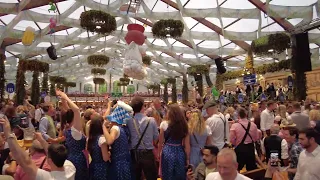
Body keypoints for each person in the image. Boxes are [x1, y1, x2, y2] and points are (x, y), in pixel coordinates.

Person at [0, 117, 75, 180]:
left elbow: (24, 161)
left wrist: (9, 134)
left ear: (50, 160)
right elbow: (51, 151)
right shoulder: (70, 167)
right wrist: (41, 140)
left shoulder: (47, 177)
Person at [56, 89, 89, 180]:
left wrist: (63, 98)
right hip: (78, 160)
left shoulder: (68, 129)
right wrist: (65, 97)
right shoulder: (75, 130)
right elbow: (76, 110)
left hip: (70, 157)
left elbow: (68, 110)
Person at [127, 97, 159, 180]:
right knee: (151, 177)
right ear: (142, 107)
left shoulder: (129, 121)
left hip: (134, 153)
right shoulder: (151, 121)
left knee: (135, 176)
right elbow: (156, 138)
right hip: (147, 153)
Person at [159, 104, 190, 180]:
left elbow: (160, 142)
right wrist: (187, 159)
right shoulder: (185, 125)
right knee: (179, 174)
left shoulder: (164, 124)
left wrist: (159, 154)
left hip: (167, 150)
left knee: (167, 174)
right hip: (179, 150)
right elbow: (187, 145)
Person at [103, 101, 132, 180]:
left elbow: (109, 141)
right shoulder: (123, 128)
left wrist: (103, 127)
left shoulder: (115, 128)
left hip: (118, 163)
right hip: (125, 161)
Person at [87, 114, 110, 180]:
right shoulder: (102, 139)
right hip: (102, 168)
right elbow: (105, 158)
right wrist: (109, 154)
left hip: (93, 166)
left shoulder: (89, 139)